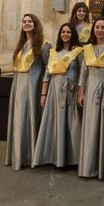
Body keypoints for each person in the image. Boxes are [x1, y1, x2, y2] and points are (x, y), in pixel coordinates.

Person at [32, 23, 83, 168]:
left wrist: (80, 91)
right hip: (54, 92)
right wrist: (43, 94)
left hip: (70, 92)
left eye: (68, 32)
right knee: (53, 122)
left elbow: (83, 74)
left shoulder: (79, 51)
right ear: (60, 34)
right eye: (63, 32)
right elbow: (47, 75)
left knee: (71, 123)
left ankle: (72, 158)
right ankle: (53, 156)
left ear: (73, 34)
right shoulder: (53, 52)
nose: (66, 34)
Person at [77, 18, 104, 179]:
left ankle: (103, 167)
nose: (100, 30)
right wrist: (81, 92)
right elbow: (83, 72)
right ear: (93, 30)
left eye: (103, 27)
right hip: (90, 92)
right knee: (90, 127)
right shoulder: (87, 49)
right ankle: (89, 166)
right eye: (97, 27)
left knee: (103, 127)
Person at [6, 14, 51, 170]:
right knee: (19, 119)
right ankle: (18, 155)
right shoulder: (22, 45)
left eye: (29, 21)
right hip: (18, 85)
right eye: (24, 21)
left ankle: (31, 155)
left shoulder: (44, 45)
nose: (26, 24)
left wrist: (44, 90)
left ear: (35, 24)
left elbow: (48, 67)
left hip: (34, 86)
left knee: (30, 117)